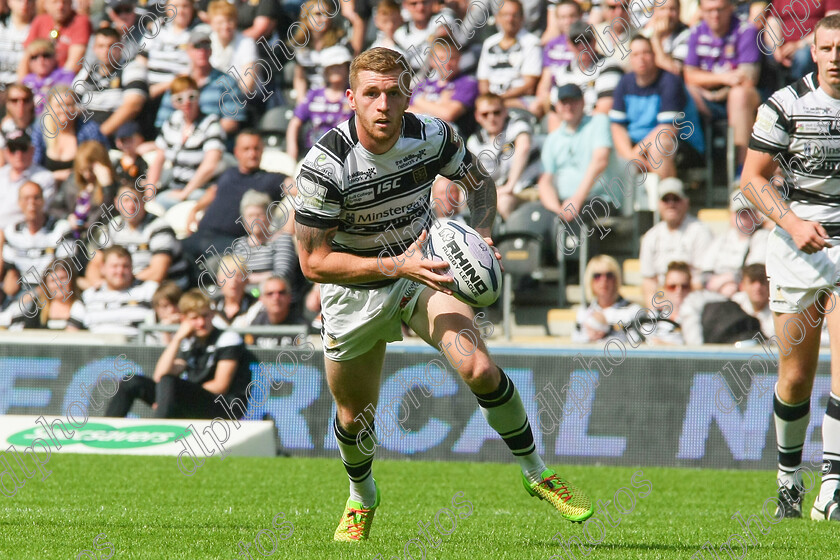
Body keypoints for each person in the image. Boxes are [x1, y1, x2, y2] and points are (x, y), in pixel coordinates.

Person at [294, 47, 593, 541]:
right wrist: (392, 264)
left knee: (477, 366)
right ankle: (362, 494)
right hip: (354, 292)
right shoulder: (325, 166)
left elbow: (479, 184)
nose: (383, 105)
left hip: (423, 271)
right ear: (351, 98)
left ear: (408, 94)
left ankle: (537, 472)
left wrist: (482, 232)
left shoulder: (432, 136)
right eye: (371, 94)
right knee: (354, 416)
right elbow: (313, 263)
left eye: (393, 93)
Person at [740, 13, 840, 522]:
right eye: (827, 48)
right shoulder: (785, 104)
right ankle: (787, 483)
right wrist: (794, 222)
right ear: (814, 52)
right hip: (797, 247)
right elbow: (752, 180)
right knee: (796, 378)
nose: (836, 57)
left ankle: (834, 486)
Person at [104, 288, 252, 418]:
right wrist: (177, 339)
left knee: (170, 383)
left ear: (213, 315)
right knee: (132, 381)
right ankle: (105, 432)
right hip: (193, 402)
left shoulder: (228, 338)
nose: (201, 323)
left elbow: (220, 385)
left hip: (224, 407)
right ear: (184, 319)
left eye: (205, 316)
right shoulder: (189, 342)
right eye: (194, 318)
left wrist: (171, 396)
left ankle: (156, 432)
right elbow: (159, 376)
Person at [184, 129, 287, 265]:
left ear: (262, 151)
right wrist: (195, 209)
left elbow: (299, 190)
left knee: (213, 266)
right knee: (171, 252)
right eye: (246, 149)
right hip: (201, 234)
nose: (252, 154)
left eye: (256, 149)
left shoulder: (272, 179)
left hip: (232, 243)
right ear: (237, 152)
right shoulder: (228, 173)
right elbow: (213, 191)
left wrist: (286, 230)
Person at [610, 34, 704, 180]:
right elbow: (617, 127)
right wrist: (630, 155)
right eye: (635, 54)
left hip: (681, 143)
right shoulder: (624, 83)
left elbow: (668, 128)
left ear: (654, 55)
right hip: (636, 147)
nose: (641, 58)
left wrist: (635, 153)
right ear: (630, 58)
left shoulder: (670, 81)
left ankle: (664, 198)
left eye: (646, 53)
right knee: (605, 149)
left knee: (659, 146)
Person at [684, 0, 761, 171]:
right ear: (701, 11)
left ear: (730, 8)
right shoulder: (696, 31)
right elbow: (689, 75)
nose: (715, 15)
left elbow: (748, 78)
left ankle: (741, 170)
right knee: (681, 91)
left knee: (739, 95)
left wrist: (717, 89)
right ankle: (695, 156)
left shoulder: (745, 30)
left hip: (743, 98)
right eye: (709, 10)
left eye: (720, 10)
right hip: (707, 98)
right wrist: (724, 78)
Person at [83, 183, 188, 288]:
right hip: (124, 287)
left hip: (159, 288)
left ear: (144, 202)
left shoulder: (159, 227)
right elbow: (95, 264)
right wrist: (99, 284)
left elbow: (158, 272)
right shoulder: (113, 226)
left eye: (136, 200)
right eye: (125, 200)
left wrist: (123, 285)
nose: (131, 206)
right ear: (116, 203)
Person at [147, 74, 226, 210]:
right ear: (173, 103)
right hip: (175, 188)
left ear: (199, 96)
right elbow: (158, 159)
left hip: (201, 190)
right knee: (151, 208)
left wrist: (185, 193)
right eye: (179, 99)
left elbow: (210, 165)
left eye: (191, 97)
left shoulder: (211, 123)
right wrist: (149, 195)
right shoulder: (173, 121)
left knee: (163, 204)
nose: (186, 103)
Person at [154, 29, 247, 135]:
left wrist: (200, 136)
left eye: (206, 47)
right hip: (178, 141)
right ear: (188, 51)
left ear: (211, 51)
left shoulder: (227, 82)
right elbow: (163, 121)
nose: (202, 51)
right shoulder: (178, 83)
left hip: (215, 142)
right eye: (197, 47)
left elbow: (231, 122)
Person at [466, 93, 541, 220]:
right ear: (477, 116)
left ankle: (513, 239)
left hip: (530, 187)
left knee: (504, 201)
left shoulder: (517, 123)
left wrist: (509, 186)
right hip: (498, 191)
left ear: (505, 112)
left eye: (496, 112)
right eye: (485, 114)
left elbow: (524, 147)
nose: (491, 118)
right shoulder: (474, 141)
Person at [639, 177, 713, 304]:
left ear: (686, 202)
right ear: (658, 204)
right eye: (666, 199)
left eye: (676, 199)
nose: (671, 204)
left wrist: (678, 298)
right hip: (662, 300)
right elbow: (649, 281)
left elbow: (702, 278)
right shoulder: (651, 237)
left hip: (691, 297)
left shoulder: (700, 232)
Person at [0, 181, 72, 299]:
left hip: (52, 291)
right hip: (21, 293)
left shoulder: (61, 228)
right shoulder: (12, 231)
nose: (31, 203)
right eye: (26, 198)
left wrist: (37, 293)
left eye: (36, 198)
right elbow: (11, 274)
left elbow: (65, 269)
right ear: (19, 203)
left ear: (43, 201)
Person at [73, 27, 148, 137]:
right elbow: (71, 101)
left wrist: (100, 134)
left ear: (121, 47)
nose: (106, 51)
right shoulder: (87, 72)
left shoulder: (132, 68)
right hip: (85, 129)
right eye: (101, 46)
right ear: (94, 49)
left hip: (116, 133)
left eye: (111, 46)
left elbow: (133, 106)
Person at [286, 45, 354, 162]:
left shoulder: (353, 95)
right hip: (312, 153)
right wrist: (292, 152)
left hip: (344, 154)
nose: (336, 71)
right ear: (325, 71)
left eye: (339, 67)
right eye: (332, 67)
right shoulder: (314, 94)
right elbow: (294, 123)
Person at [31, 85, 108, 184]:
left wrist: (75, 176)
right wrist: (54, 176)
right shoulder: (41, 130)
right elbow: (33, 167)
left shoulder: (89, 130)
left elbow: (101, 165)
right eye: (59, 105)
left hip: (82, 186)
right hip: (47, 188)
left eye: (69, 105)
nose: (64, 110)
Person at [700, 189, 768, 297]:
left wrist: (727, 281)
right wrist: (720, 287)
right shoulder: (722, 239)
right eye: (739, 213)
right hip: (716, 291)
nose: (743, 217)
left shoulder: (762, 237)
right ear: (731, 215)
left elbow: (754, 273)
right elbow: (704, 275)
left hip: (744, 294)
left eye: (747, 212)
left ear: (756, 215)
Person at [409, 35, 479, 139]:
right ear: (432, 61)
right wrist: (441, 104)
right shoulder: (422, 85)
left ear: (459, 58)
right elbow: (406, 113)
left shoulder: (467, 84)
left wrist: (419, 101)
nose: (447, 63)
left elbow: (448, 114)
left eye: (452, 58)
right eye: (441, 58)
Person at [81, 245, 158, 338]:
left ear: (132, 268)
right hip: (96, 350)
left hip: (137, 349)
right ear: (103, 268)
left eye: (125, 266)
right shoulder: (89, 296)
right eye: (114, 266)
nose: (120, 271)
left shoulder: (150, 291)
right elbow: (72, 329)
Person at [476, 0, 542, 109]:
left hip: (518, 99)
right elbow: (483, 81)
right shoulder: (489, 43)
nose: (510, 19)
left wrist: (500, 99)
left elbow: (529, 86)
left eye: (514, 15)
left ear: (522, 18)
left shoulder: (532, 43)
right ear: (497, 18)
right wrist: (491, 99)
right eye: (505, 15)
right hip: (491, 100)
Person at [572, 255, 642, 343]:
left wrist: (608, 330)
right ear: (590, 280)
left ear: (616, 279)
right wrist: (590, 337)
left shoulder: (632, 310)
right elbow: (575, 341)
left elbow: (638, 344)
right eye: (597, 276)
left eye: (609, 275)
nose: (604, 280)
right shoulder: (584, 311)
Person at [9, 255, 85, 330]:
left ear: (71, 280)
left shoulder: (81, 306)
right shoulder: (37, 308)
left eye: (62, 278)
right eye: (53, 280)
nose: (58, 284)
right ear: (46, 285)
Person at [0, 130, 55, 229]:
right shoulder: (1, 173)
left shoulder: (44, 178)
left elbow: (37, 211)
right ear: (6, 152)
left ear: (32, 150)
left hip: (19, 234)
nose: (18, 154)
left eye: (23, 148)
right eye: (13, 149)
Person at [233, 275, 304, 347]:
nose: (276, 297)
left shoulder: (302, 326)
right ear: (261, 299)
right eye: (270, 293)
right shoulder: (255, 324)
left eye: (281, 292)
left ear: (289, 297)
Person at [22, 0, 90, 72]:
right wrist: (21, 82)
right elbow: (26, 58)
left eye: (65, 2)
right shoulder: (40, 20)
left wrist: (59, 79)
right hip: (37, 77)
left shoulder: (80, 21)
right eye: (55, 2)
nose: (60, 6)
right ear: (45, 4)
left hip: (63, 78)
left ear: (71, 3)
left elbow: (74, 63)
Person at [207, 0, 258, 93]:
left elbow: (248, 85)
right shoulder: (207, 42)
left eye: (229, 21)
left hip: (243, 98)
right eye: (220, 22)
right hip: (215, 94)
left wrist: (229, 98)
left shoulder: (246, 43)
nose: (225, 26)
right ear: (212, 23)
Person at [20, 39, 74, 115]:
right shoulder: (26, 80)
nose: (41, 60)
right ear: (29, 61)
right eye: (34, 57)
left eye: (46, 55)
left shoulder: (65, 76)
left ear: (55, 57)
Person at [643, 0, 691, 75]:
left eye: (672, 9)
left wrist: (656, 39)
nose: (667, 14)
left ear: (679, 11)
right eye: (662, 9)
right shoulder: (646, 33)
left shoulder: (687, 35)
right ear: (654, 11)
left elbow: (674, 71)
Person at [731, 262, 773, 338]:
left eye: (762, 281)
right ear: (742, 286)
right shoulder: (734, 303)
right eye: (752, 282)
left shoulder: (778, 311)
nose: (757, 287)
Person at [0, 0, 35, 90]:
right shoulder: (1, 27)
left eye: (29, 1)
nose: (24, 4)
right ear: (9, 2)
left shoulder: (38, 28)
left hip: (25, 89)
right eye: (19, 0)